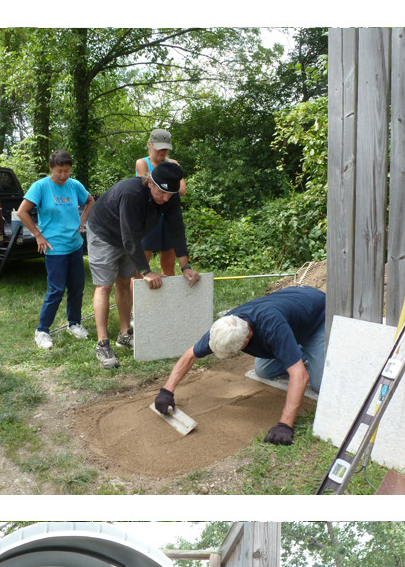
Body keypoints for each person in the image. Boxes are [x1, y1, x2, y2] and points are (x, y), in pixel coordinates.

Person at [153, 285, 327, 444]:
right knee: (263, 371)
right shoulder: (226, 327)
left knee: (320, 384)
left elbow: (300, 376)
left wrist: (285, 424)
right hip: (290, 313)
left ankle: (303, 349)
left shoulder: (272, 328)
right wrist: (167, 391)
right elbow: (190, 355)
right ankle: (294, 351)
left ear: (246, 340)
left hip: (317, 316)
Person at [85, 161, 200, 367]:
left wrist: (185, 266)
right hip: (104, 232)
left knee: (123, 282)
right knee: (104, 286)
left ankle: (124, 334)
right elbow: (128, 236)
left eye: (170, 195)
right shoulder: (132, 193)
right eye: (162, 193)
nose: (166, 199)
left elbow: (177, 229)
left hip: (130, 236)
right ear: (151, 183)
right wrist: (146, 271)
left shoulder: (168, 196)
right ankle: (103, 344)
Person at [14, 146, 94, 352]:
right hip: (54, 246)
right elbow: (22, 212)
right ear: (51, 168)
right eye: (59, 171)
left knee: (77, 287)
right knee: (56, 290)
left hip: (74, 244)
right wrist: (38, 235)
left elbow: (90, 200)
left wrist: (83, 220)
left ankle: (74, 323)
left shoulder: (74, 185)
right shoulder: (40, 187)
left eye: (67, 171)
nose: (63, 175)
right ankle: (42, 331)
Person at [135, 127, 188, 276]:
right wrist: (169, 185)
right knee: (140, 271)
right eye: (159, 148)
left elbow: (182, 190)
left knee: (169, 267)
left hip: (168, 216)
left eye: (165, 149)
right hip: (148, 216)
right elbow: (147, 186)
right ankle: (136, 299)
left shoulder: (174, 164)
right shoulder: (142, 163)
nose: (162, 152)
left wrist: (163, 187)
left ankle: (167, 298)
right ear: (149, 145)